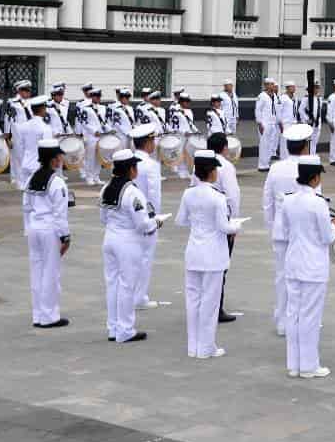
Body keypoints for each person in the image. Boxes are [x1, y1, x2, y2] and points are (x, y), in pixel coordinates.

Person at [275, 154, 335, 378]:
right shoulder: (318, 203)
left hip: (293, 262)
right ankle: (309, 366)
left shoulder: (289, 200)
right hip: (313, 266)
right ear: (314, 178)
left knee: (293, 313)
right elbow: (326, 237)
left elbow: (283, 231)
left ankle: (294, 364)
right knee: (310, 316)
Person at [176, 149, 242, 359]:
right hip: (213, 254)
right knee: (210, 303)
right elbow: (224, 227)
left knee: (193, 300)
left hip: (194, 251)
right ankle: (206, 347)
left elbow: (181, 221)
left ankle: (193, 346)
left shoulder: (189, 193)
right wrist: (236, 226)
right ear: (212, 172)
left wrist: (199, 223)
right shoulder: (217, 197)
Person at [100, 149, 161, 342]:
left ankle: (113, 327)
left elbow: (103, 218)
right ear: (131, 170)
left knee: (112, 284)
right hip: (127, 241)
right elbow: (142, 224)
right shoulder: (132, 193)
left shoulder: (106, 188)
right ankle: (125, 329)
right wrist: (156, 223)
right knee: (127, 285)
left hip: (109, 238)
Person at [263, 123, 312, 335]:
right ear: (305, 146)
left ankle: (283, 320)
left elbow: (267, 203)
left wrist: (272, 227)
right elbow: (314, 204)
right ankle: (299, 319)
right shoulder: (308, 167)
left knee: (282, 276)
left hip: (281, 231)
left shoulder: (275, 168)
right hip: (303, 234)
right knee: (303, 277)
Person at [23, 138, 71, 329]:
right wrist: (65, 236)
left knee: (37, 272)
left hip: (34, 228)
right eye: (59, 156)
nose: (61, 159)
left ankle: (38, 314)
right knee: (51, 273)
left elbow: (26, 207)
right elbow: (60, 214)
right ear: (53, 160)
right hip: (50, 230)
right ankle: (49, 316)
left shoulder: (31, 178)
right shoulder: (57, 182)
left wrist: (28, 228)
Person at [206, 132, 240, 323]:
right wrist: (234, 223)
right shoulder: (225, 166)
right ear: (225, 148)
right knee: (221, 266)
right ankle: (216, 308)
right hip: (222, 218)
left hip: (205, 220)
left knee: (207, 265)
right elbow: (233, 196)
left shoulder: (200, 164)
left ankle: (208, 305)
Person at [129, 123, 163, 310]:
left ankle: (132, 294)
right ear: (148, 142)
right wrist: (155, 219)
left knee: (132, 258)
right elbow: (153, 195)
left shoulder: (128, 160)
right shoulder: (150, 165)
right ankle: (139, 297)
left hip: (129, 215)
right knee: (145, 258)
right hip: (145, 216)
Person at [15, 96, 54, 188]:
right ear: (42, 109)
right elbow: (47, 150)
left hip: (26, 163)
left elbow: (20, 147)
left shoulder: (23, 126)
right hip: (39, 166)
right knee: (39, 196)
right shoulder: (45, 127)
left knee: (27, 195)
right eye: (45, 108)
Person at [77, 86, 107, 187]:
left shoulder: (103, 108)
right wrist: (94, 131)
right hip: (91, 136)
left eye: (99, 96)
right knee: (90, 157)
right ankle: (89, 177)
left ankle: (96, 176)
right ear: (91, 97)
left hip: (101, 135)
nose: (98, 98)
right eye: (96, 96)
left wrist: (109, 129)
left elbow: (104, 122)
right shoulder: (86, 109)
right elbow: (84, 123)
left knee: (99, 157)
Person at [256, 77, 279, 171]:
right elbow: (258, 110)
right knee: (264, 144)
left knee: (270, 144)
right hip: (264, 123)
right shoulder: (262, 96)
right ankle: (262, 165)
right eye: (272, 84)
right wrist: (259, 123)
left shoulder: (275, 96)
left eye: (273, 84)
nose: (274, 86)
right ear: (267, 85)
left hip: (272, 123)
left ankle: (267, 163)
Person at [277, 82, 298, 159]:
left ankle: (290, 158)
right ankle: (283, 159)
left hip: (293, 123)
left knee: (292, 142)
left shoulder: (295, 98)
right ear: (287, 88)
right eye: (292, 87)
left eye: (294, 87)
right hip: (285, 123)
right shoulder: (283, 98)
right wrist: (280, 123)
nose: (294, 88)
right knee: (284, 143)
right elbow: (278, 111)